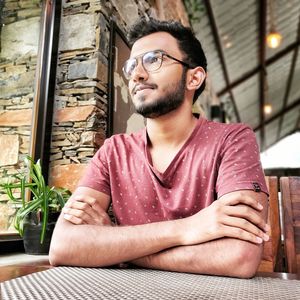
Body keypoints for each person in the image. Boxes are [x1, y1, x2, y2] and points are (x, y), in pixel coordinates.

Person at [49, 17, 269, 278]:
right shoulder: (113, 151)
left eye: (154, 59)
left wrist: (116, 244)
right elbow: (63, 245)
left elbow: (240, 258)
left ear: (194, 78)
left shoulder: (232, 140)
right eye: (131, 66)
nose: (137, 75)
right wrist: (189, 228)